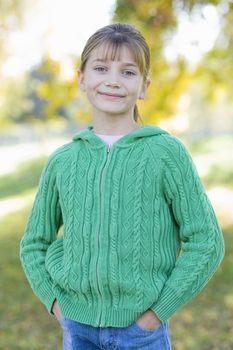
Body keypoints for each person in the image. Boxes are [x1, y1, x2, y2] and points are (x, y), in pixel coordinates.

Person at [20, 22, 225, 350]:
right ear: (82, 79)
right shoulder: (62, 160)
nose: (113, 81)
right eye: (101, 68)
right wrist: (56, 304)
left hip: (141, 331)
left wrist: (157, 313)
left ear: (144, 87)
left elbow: (206, 241)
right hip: (77, 329)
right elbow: (34, 243)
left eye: (128, 72)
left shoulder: (165, 153)